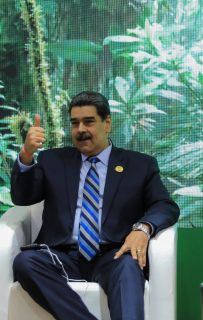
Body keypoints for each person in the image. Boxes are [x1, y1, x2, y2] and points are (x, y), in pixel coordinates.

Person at [10, 91, 180, 319]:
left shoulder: (139, 165)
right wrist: (27, 154)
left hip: (115, 254)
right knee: (25, 262)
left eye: (88, 121)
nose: (80, 129)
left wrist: (142, 229)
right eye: (75, 123)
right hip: (62, 256)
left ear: (107, 123)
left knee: (130, 267)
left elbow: (165, 205)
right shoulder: (53, 160)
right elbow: (23, 198)